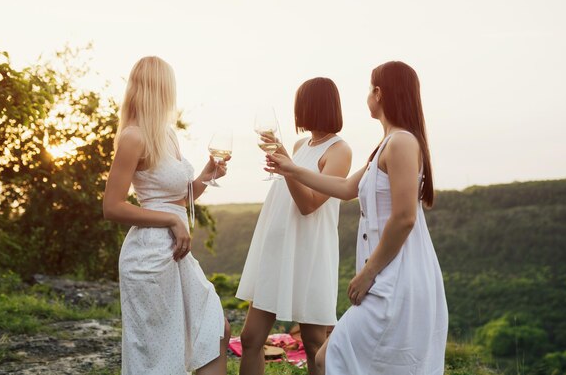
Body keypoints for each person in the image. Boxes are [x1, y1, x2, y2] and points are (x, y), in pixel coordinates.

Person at [266, 62, 448, 375]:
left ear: (379, 93)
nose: (367, 95)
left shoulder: (402, 142)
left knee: (328, 359)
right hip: (387, 274)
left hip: (396, 276)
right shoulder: (387, 145)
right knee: (348, 361)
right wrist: (291, 168)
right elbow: (347, 187)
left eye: (369, 88)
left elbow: (404, 217)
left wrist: (368, 273)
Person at [103, 56, 231, 375]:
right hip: (147, 257)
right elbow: (112, 206)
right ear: (158, 89)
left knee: (216, 328)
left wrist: (207, 175)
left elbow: (178, 200)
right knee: (158, 356)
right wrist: (171, 221)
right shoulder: (134, 137)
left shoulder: (167, 134)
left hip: (175, 253)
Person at [236, 77, 352, 375]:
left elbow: (309, 205)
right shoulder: (302, 145)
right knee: (250, 339)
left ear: (311, 107)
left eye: (300, 105)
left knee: (314, 343)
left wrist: (288, 168)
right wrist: (287, 161)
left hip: (309, 254)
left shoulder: (340, 150)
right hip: (278, 252)